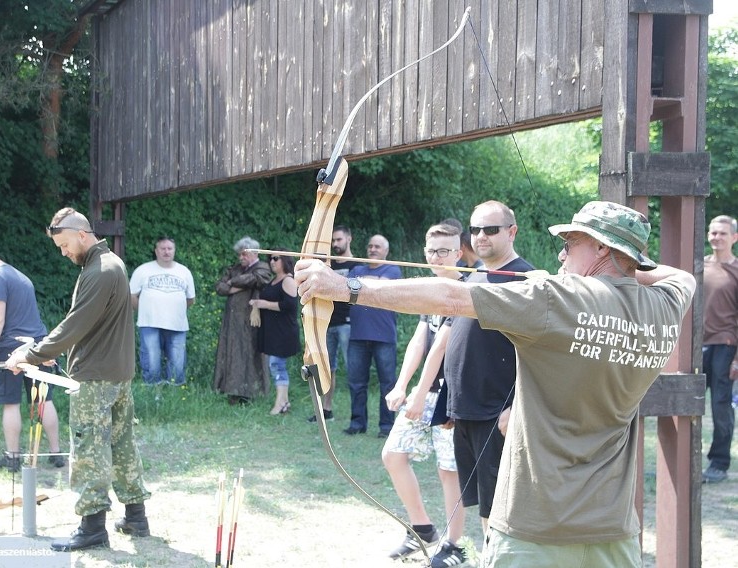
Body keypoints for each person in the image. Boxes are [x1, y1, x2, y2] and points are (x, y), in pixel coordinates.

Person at [296, 201, 695, 566]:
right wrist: (626, 265)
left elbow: (451, 297)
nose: (560, 254)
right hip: (614, 531)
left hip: (534, 529)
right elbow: (680, 275)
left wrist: (344, 287)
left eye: (571, 243)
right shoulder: (667, 304)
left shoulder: (556, 298)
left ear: (602, 248)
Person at [4, 208, 151, 552]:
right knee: (122, 443)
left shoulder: (100, 270)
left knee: (88, 449)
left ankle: (92, 527)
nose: (64, 252)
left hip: (97, 377)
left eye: (65, 244)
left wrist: (31, 354)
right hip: (117, 373)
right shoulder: (109, 263)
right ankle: (136, 516)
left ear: (82, 235)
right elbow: (88, 326)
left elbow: (75, 323)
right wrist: (53, 350)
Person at [382, 224, 468, 566]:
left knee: (449, 471)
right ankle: (422, 528)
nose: (436, 257)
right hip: (424, 391)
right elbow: (421, 339)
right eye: (431, 251)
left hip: (450, 394)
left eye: (444, 251)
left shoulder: (461, 289)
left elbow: (442, 346)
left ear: (459, 253)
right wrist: (402, 385)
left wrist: (418, 393)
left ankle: (454, 545)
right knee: (393, 454)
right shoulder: (432, 288)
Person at [446, 201, 533, 533]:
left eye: (491, 229)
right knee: (484, 504)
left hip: (497, 412)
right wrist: (449, 404)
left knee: (497, 510)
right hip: (468, 408)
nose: (481, 236)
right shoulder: (476, 273)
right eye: (476, 229)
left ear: (511, 232)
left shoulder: (525, 278)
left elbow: (537, 351)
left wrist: (515, 405)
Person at [0, 243, 65, 472]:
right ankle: (56, 453)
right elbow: (10, 318)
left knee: (11, 403)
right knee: (43, 400)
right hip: (38, 346)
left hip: (11, 351)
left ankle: (12, 457)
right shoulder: (19, 275)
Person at [344, 234, 401, 437]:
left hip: (384, 337)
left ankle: (386, 427)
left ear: (386, 251)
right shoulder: (357, 268)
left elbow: (382, 289)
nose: (373, 249)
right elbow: (349, 292)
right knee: (356, 383)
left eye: (377, 247)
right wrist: (368, 283)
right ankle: (357, 424)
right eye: (370, 246)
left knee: (388, 383)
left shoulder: (393, 269)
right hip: (358, 336)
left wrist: (363, 284)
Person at [130, 236, 196, 392]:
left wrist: (174, 310)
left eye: (170, 248)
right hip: (149, 324)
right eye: (163, 248)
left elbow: (191, 299)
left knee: (177, 365)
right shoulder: (143, 270)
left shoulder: (184, 271)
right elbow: (131, 296)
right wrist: (145, 310)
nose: (166, 252)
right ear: (156, 251)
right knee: (151, 363)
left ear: (174, 250)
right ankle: (153, 395)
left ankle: (173, 397)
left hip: (177, 325)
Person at [309, 225, 359, 422]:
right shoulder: (328, 266)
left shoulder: (357, 265)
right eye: (333, 241)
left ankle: (357, 416)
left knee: (353, 368)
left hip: (348, 323)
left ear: (349, 239)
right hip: (327, 322)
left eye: (339, 239)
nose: (335, 243)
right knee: (327, 368)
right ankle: (326, 410)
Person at [701, 214, 738, 483]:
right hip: (697, 347)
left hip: (726, 347)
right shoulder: (699, 267)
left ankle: (719, 463)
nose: (717, 237)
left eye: (723, 233)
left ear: (734, 237)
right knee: (685, 402)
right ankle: (687, 458)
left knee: (721, 405)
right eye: (713, 232)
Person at [214, 237, 272, 404]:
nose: (241, 258)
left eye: (244, 255)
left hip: (252, 320)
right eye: (240, 255)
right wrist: (235, 285)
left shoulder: (263, 267)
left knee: (250, 354)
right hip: (232, 321)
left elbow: (257, 279)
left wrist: (232, 283)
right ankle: (232, 391)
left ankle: (251, 393)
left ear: (254, 253)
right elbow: (220, 287)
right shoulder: (236, 268)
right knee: (233, 353)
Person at [251, 251, 301, 415]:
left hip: (284, 332)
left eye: (275, 258)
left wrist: (264, 303)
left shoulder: (288, 280)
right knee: (277, 365)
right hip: (274, 332)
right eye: (270, 258)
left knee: (276, 365)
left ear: (285, 260)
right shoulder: (274, 280)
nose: (271, 261)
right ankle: (284, 402)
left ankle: (279, 403)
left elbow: (290, 306)